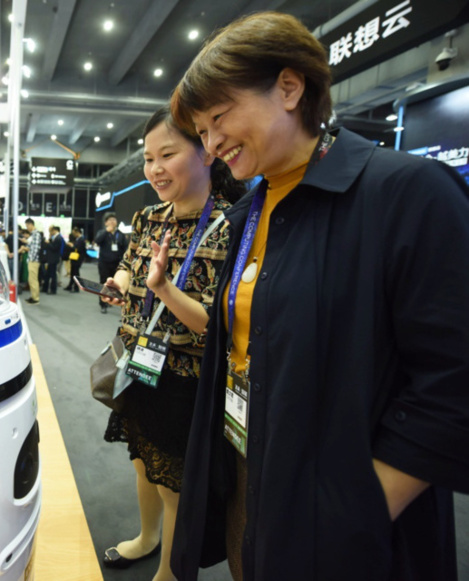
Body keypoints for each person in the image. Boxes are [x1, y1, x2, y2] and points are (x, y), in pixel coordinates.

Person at [169, 12, 469, 581]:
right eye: (201, 132)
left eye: (217, 118)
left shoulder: (405, 194)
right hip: (252, 479)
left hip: (347, 517)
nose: (209, 146)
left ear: (289, 87)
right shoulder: (245, 215)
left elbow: (454, 383)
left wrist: (360, 510)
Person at [100, 105, 244, 581]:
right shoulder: (148, 217)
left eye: (167, 154)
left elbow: (213, 323)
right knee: (142, 463)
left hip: (185, 378)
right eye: (148, 158)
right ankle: (148, 538)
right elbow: (128, 260)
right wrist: (121, 280)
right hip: (136, 362)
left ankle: (171, 569)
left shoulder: (229, 225)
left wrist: (164, 288)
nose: (154, 169)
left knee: (175, 485)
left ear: (206, 153)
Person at [94, 213, 128, 313]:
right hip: (104, 263)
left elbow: (125, 248)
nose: (112, 221)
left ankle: (111, 300)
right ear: (106, 223)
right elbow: (97, 241)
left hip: (116, 263)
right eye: (110, 220)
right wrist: (106, 232)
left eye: (114, 219)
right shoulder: (102, 233)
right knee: (104, 283)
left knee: (115, 284)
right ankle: (103, 304)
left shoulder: (120, 234)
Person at [20, 218, 43, 305]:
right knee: (31, 279)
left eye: (27, 226)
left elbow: (36, 248)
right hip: (32, 260)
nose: (27, 228)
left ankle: (35, 298)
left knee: (33, 280)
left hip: (34, 260)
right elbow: (32, 246)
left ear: (30, 224)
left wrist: (32, 259)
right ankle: (33, 296)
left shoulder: (36, 234)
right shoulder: (34, 234)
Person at [42, 225, 65, 295]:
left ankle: (53, 290)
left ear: (54, 230)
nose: (50, 233)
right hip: (51, 259)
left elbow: (55, 248)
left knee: (53, 275)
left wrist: (48, 243)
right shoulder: (55, 237)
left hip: (53, 259)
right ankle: (45, 288)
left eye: (50, 231)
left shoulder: (59, 238)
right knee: (48, 274)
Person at [64, 227, 86, 292]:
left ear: (77, 232)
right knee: (73, 273)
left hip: (77, 259)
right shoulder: (78, 239)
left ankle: (76, 288)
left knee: (76, 273)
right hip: (75, 258)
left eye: (74, 233)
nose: (73, 234)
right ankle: (70, 286)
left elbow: (78, 249)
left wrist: (72, 246)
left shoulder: (81, 240)